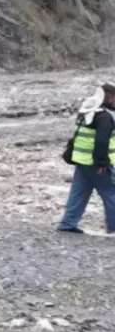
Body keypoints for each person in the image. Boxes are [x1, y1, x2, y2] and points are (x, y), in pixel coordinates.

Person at [58, 83, 115, 234]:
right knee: (111, 193)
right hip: (96, 163)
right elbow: (101, 142)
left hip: (82, 160)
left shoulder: (87, 112)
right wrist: (101, 162)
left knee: (79, 193)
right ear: (109, 97)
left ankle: (67, 224)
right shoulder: (105, 117)